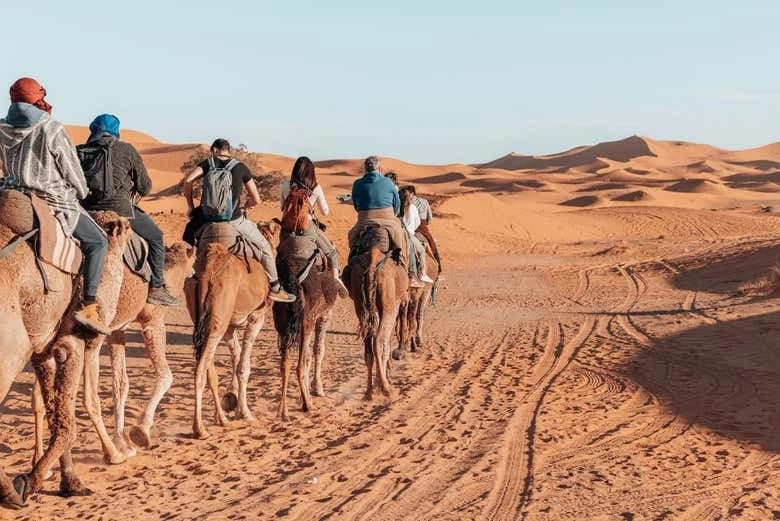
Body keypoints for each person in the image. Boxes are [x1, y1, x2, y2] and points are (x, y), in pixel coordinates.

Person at [0, 77, 111, 334]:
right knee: (98, 242)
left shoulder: (2, 127)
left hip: (10, 194)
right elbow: (72, 172)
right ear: (38, 97)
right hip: (51, 200)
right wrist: (82, 191)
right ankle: (89, 305)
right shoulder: (51, 128)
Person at [80, 114, 180, 306]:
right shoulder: (126, 149)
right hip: (120, 211)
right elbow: (145, 187)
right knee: (156, 237)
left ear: (93, 129)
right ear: (115, 131)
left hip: (86, 212)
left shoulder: (81, 150)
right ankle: (157, 287)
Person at [183, 139, 295, 303]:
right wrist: (245, 207)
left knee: (186, 243)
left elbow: (188, 180)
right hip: (234, 220)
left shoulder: (208, 163)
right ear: (228, 151)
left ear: (214, 150)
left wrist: (191, 206)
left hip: (206, 220)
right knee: (264, 247)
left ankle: (185, 278)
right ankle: (275, 288)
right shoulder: (239, 167)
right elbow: (256, 199)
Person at [349, 156, 423, 288]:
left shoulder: (357, 184)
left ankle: (348, 271)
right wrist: (391, 215)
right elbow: (397, 205)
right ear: (379, 168)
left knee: (352, 239)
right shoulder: (389, 183)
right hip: (389, 222)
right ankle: (409, 272)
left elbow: (356, 205)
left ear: (365, 169)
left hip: (363, 222)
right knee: (404, 238)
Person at [280, 156, 348, 293]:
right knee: (332, 253)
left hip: (287, 229)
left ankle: (275, 283)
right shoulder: (315, 188)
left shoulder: (285, 185)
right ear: (311, 172)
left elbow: (282, 207)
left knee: (280, 253)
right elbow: (325, 212)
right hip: (307, 227)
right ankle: (335, 280)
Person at [399, 186, 434, 284]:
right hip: (409, 233)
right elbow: (417, 223)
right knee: (422, 250)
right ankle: (421, 273)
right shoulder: (414, 207)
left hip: (397, 232)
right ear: (412, 195)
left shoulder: (396, 206)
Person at [408, 184, 443, 274]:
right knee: (432, 244)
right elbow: (429, 219)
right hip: (422, 228)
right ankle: (439, 269)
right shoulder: (424, 202)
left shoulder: (405, 202)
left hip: (409, 227)